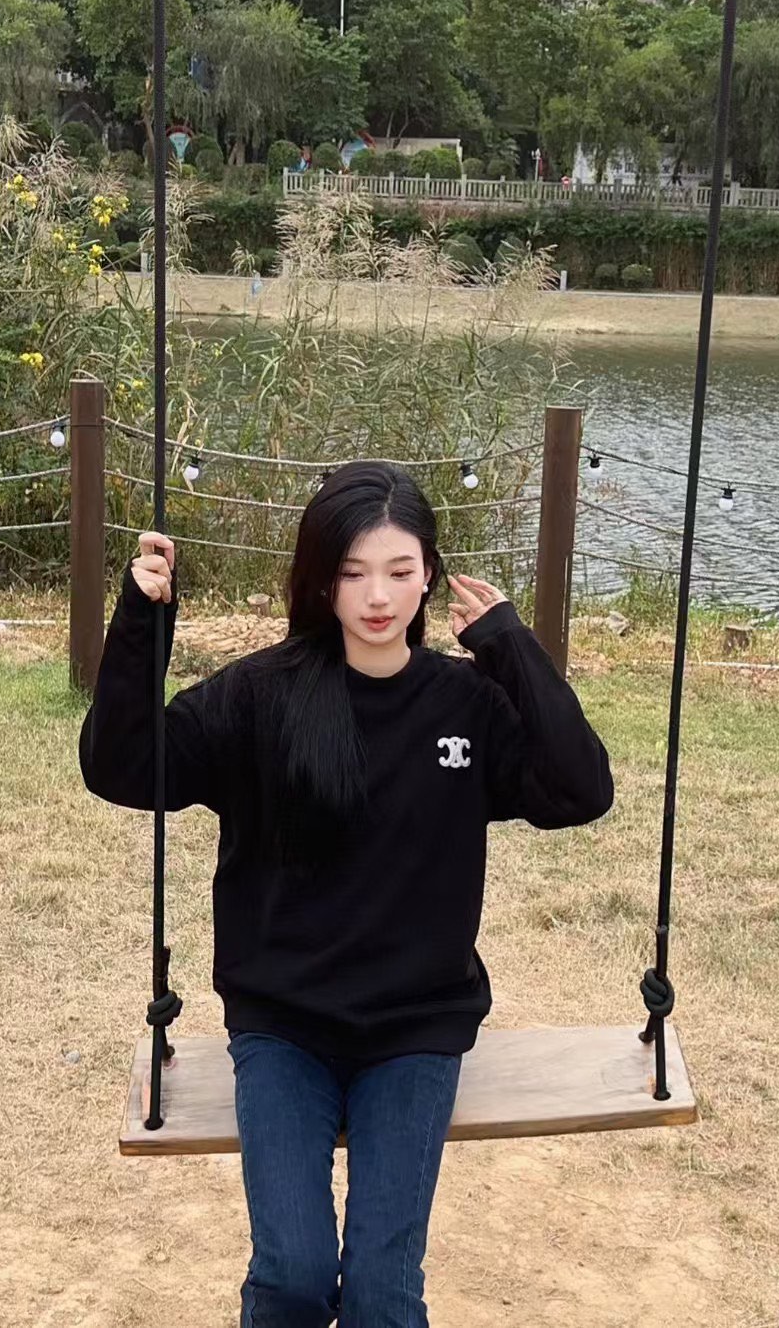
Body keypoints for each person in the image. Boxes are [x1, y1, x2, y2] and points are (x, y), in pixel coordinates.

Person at [78, 460, 613, 1328]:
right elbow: (123, 767)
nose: (378, 596)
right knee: (292, 1275)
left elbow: (581, 789)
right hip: (285, 1028)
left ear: (429, 576)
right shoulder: (261, 696)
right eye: (355, 572)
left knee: (379, 1293)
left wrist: (510, 647)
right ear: (322, 579)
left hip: (415, 1030)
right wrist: (144, 621)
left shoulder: (464, 704)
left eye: (400, 571)